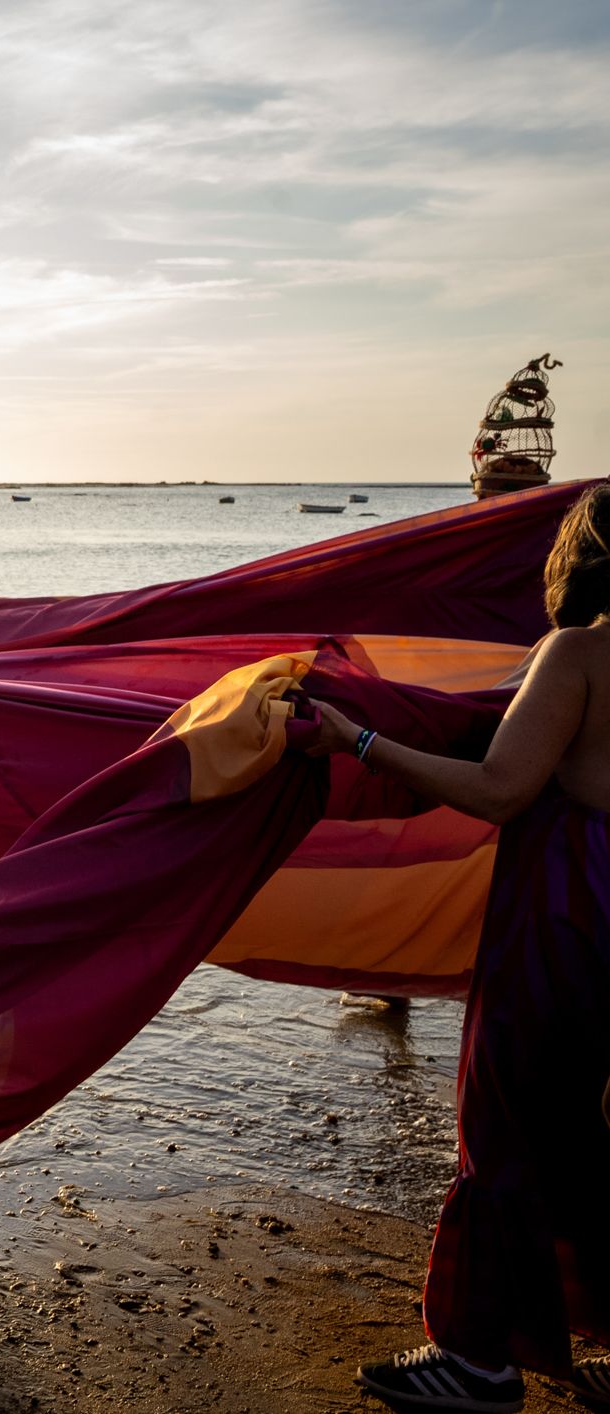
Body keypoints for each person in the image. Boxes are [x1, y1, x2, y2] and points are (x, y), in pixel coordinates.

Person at [311, 484, 610, 1413]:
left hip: (570, 911)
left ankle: (478, 1359)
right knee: (596, 1133)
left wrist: (359, 738)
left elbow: (496, 789)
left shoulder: (580, 651)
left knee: (507, 1115)